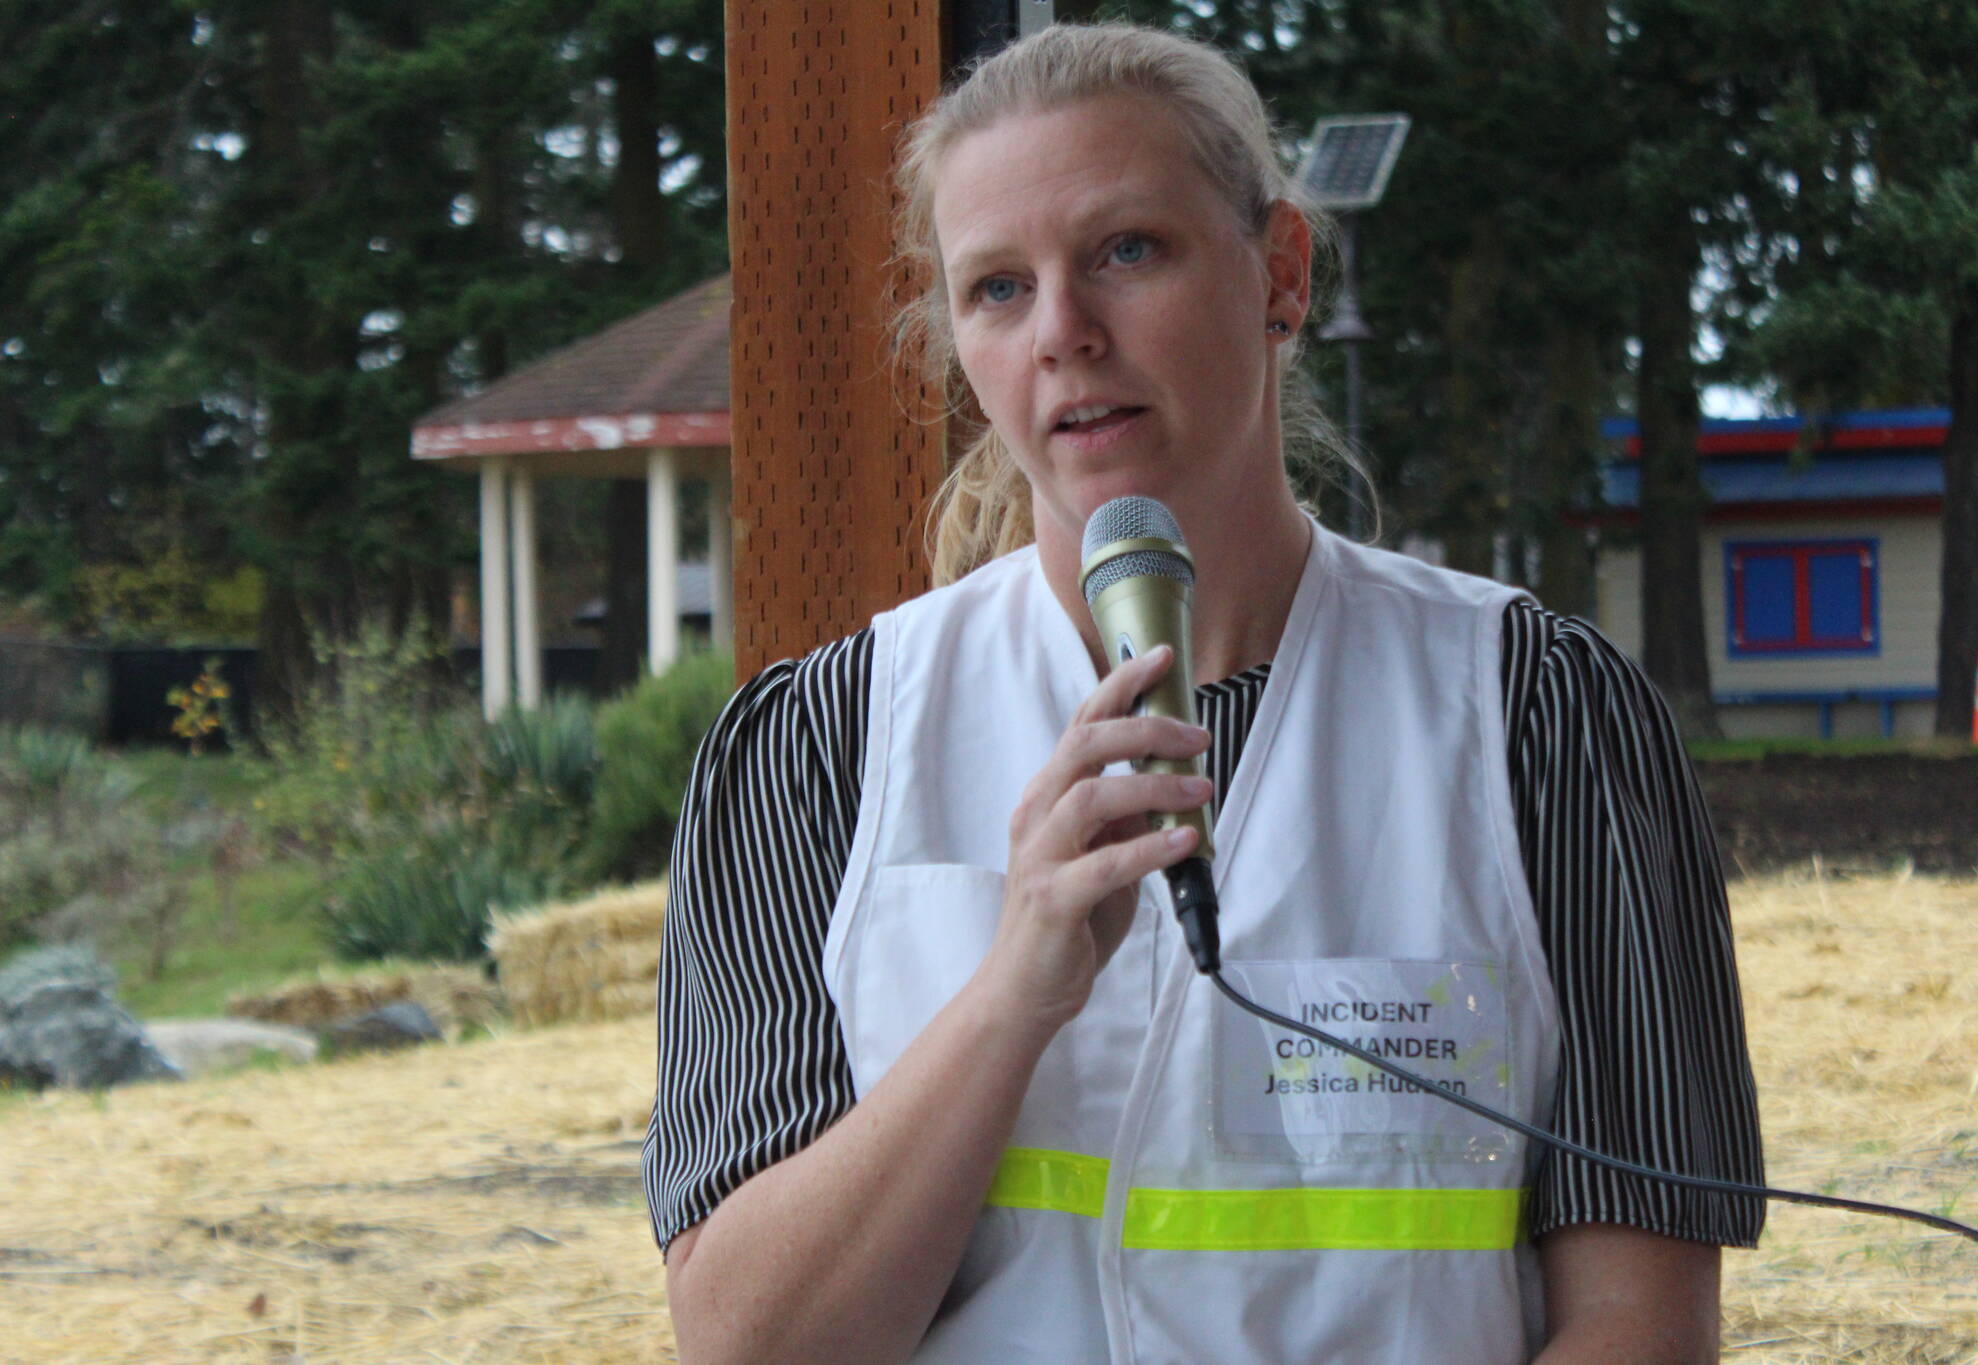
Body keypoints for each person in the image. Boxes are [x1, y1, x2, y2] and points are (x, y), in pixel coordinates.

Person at [643, 22, 1763, 1365]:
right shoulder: (819, 748)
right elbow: (741, 1344)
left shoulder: (1542, 717)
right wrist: (1013, 992)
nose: (1064, 333)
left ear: (1280, 272)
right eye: (998, 288)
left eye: (1127, 251)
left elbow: (1643, 1327)